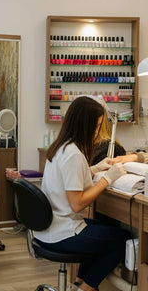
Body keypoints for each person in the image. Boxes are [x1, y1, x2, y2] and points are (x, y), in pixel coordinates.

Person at [33, 96, 129, 291]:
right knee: (121, 239)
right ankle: (85, 288)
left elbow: (69, 181)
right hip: (62, 233)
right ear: (85, 125)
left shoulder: (61, 147)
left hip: (48, 228)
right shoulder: (73, 155)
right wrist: (107, 179)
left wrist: (94, 169)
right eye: (96, 126)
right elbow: (77, 204)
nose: (96, 132)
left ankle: (78, 283)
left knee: (104, 229)